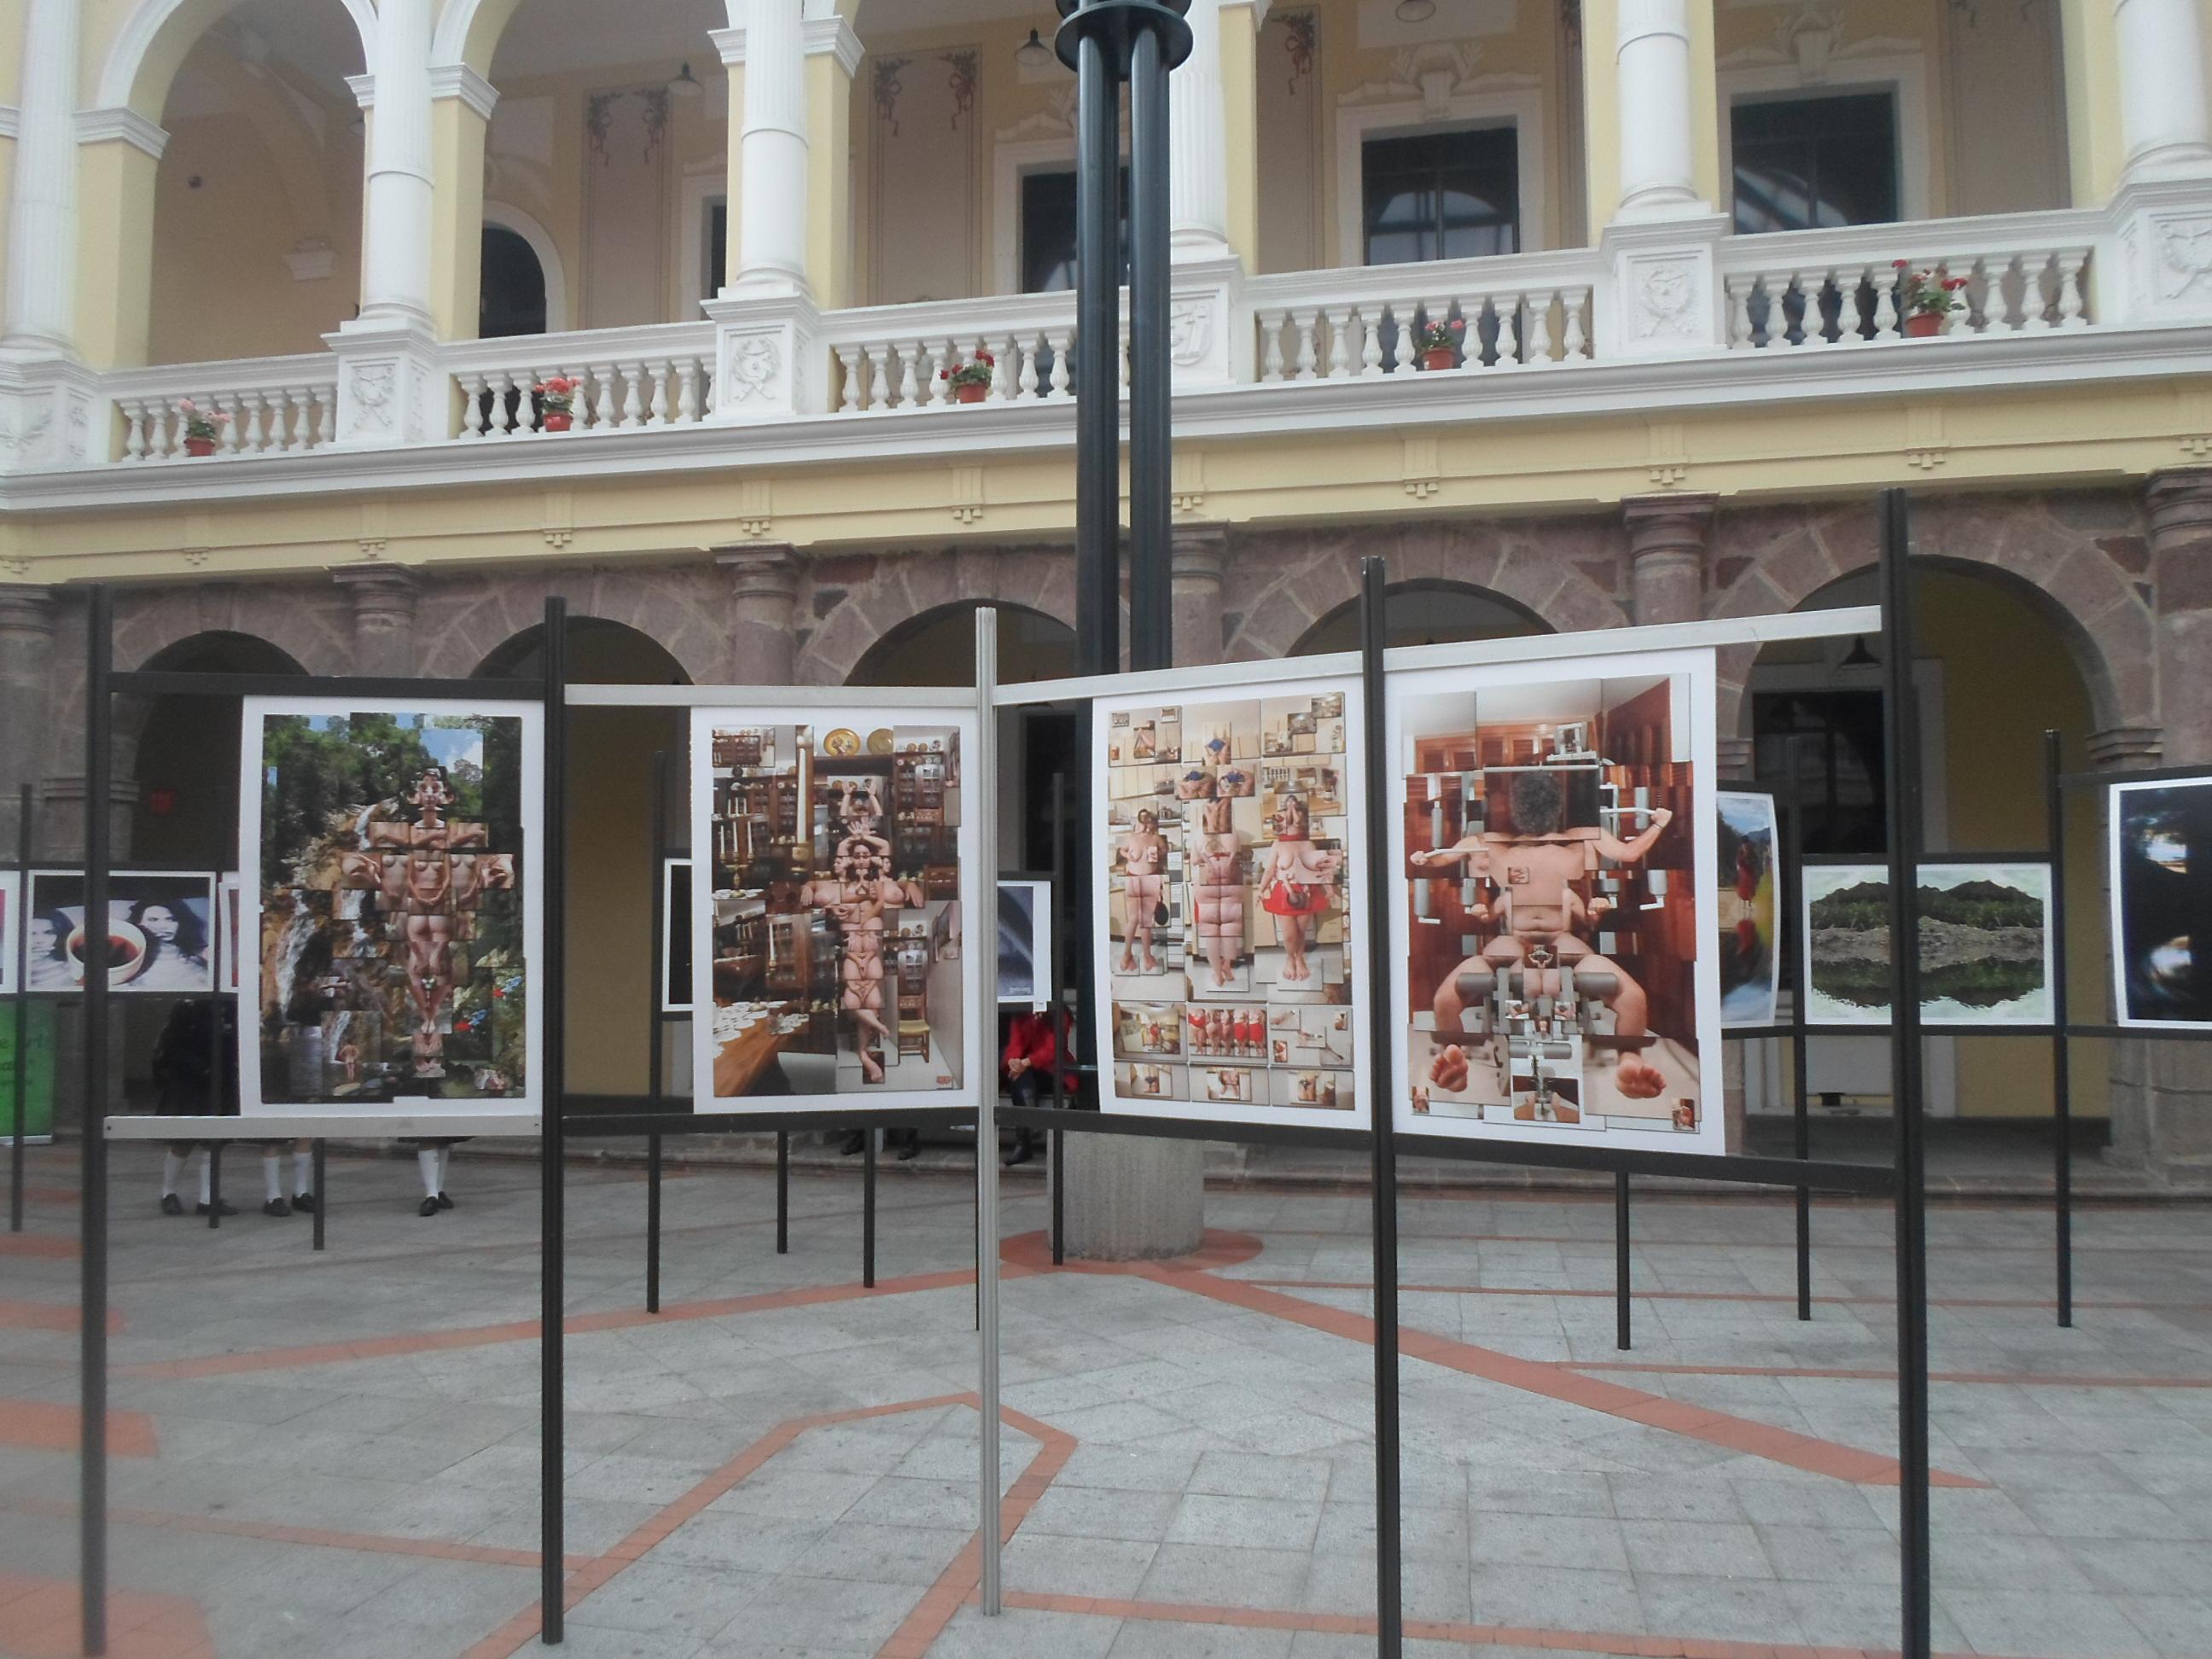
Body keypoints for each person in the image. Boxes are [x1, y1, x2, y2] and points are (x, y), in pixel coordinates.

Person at [1412, 772, 1674, 1098]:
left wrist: (1660, 824)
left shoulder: (1581, 837)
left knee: (1633, 997)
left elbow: (1629, 854)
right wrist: (1425, 858)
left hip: (1561, 941)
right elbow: (1447, 854)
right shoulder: (1496, 844)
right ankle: (1457, 1060)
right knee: (1445, 998)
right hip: (1513, 942)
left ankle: (1629, 1060)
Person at [1256, 795, 1341, 984]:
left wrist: (1328, 888)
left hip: (1306, 890)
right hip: (1283, 892)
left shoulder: (1308, 843)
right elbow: (1270, 869)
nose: (1291, 819)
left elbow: (1319, 868)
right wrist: (1261, 889)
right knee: (1289, 934)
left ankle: (1300, 959)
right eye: (1287, 813)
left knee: (1301, 932)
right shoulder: (1278, 844)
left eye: (1294, 814)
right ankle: (1290, 959)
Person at [999, 1007, 1074, 1167]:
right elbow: (1015, 1044)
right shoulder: (1021, 1013)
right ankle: (1030, 1125)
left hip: (1053, 1071)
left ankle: (1023, 1143)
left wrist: (1026, 1062)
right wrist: (1013, 1062)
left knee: (1019, 1078)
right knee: (1019, 1077)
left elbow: (1053, 1049)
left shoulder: (1060, 1013)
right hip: (1026, 1072)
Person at [129, 898, 209, 992]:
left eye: (171, 919)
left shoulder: (201, 958)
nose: (163, 926)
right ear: (139, 923)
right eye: (153, 920)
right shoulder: (131, 962)